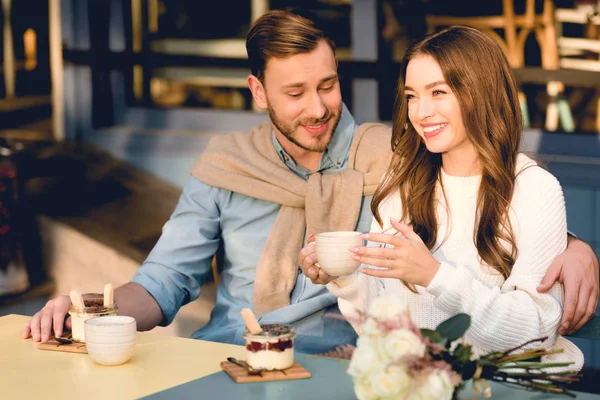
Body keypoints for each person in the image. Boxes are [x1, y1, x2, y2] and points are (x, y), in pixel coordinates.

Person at [23, 10, 598, 354]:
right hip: (234, 355)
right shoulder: (225, 163)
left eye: (328, 85)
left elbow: (479, 201)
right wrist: (91, 310)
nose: (318, 108)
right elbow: (165, 280)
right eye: (295, 94)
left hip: (345, 358)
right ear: (257, 91)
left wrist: (573, 246)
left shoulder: (392, 156)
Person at [299, 25, 585, 368]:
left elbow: (535, 332)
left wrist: (436, 276)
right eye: (411, 96)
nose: (420, 112)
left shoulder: (535, 189)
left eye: (438, 92)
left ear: (480, 92)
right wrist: (342, 276)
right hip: (418, 381)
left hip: (508, 385)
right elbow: (380, 326)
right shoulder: (404, 182)